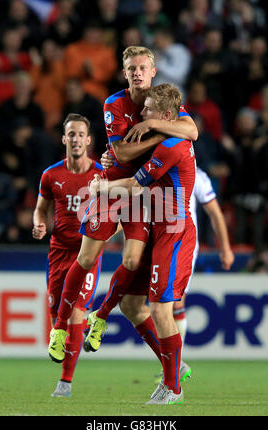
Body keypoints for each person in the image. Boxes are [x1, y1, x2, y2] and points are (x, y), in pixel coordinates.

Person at [48, 46, 198, 379]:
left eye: (142, 67)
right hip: (115, 184)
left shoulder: (162, 101)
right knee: (86, 258)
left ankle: (99, 317)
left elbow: (192, 131)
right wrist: (156, 132)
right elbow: (120, 149)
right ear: (124, 72)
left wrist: (154, 126)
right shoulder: (114, 103)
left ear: (154, 71)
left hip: (141, 194)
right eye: (131, 69)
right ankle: (60, 325)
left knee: (131, 262)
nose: (137, 73)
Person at [89, 83, 196, 405]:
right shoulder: (168, 137)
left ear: (164, 115)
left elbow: (135, 187)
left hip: (173, 233)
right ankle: (173, 368)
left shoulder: (172, 146)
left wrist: (99, 188)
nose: (141, 113)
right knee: (133, 305)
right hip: (157, 227)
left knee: (161, 308)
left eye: (147, 110)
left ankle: (172, 386)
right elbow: (124, 156)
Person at [33, 114, 104, 398]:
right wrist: (39, 222)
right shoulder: (51, 175)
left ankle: (65, 383)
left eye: (81, 134)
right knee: (56, 317)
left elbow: (118, 212)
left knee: (75, 310)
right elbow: (41, 208)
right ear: (64, 139)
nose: (76, 139)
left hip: (87, 253)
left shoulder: (102, 175)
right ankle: (80, 333)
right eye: (71, 134)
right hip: (58, 251)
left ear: (89, 140)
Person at [171, 167, 235, 380]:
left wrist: (225, 248)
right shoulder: (156, 167)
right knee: (154, 305)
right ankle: (171, 363)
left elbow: (215, 213)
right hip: (158, 242)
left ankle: (174, 364)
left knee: (175, 302)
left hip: (184, 245)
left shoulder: (197, 175)